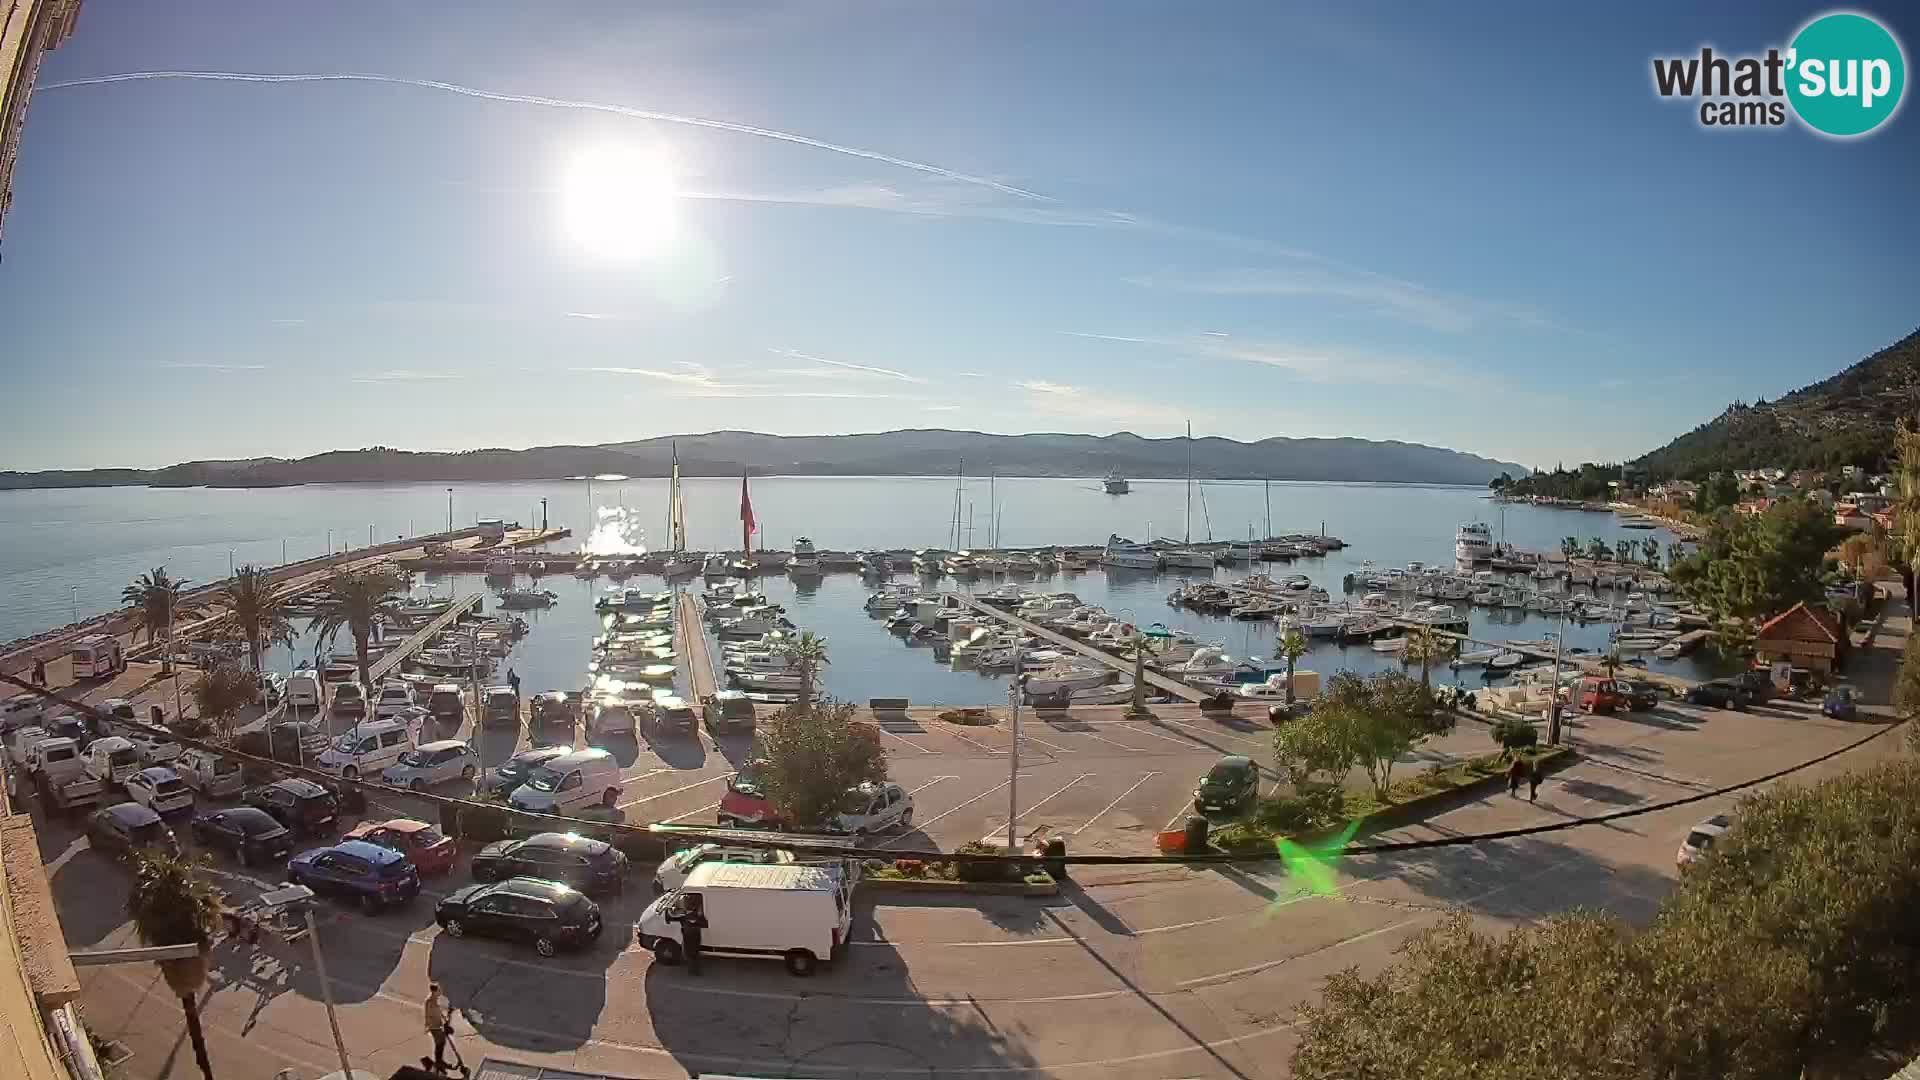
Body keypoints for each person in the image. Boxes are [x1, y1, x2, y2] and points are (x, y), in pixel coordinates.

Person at [670, 893, 709, 975]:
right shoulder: (695, 915)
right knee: (694, 954)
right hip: (694, 938)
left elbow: (673, 914)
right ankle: (694, 970)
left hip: (689, 938)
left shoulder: (685, 916)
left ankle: (693, 971)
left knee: (691, 955)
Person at [424, 982, 451, 1072]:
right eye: (439, 990)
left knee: (441, 1043)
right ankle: (439, 1062)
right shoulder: (429, 1002)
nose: (440, 992)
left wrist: (444, 1019)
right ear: (435, 991)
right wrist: (428, 1026)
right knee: (440, 1043)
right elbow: (427, 1015)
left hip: (437, 1026)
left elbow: (438, 1013)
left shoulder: (435, 1001)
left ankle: (439, 1061)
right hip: (434, 1027)